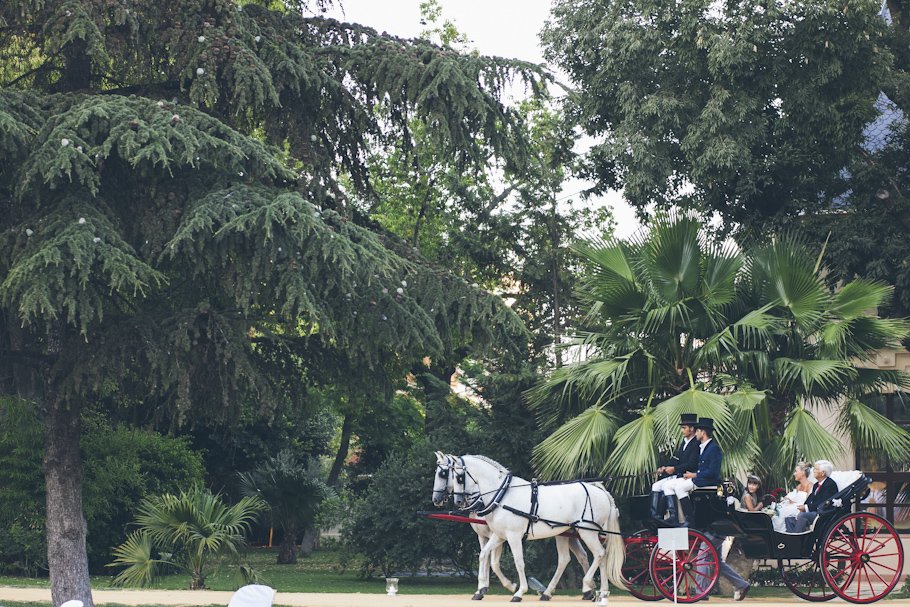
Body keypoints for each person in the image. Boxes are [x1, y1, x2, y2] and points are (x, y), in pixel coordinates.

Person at [662, 417, 722, 526]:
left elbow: (713, 472)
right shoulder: (702, 447)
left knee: (680, 488)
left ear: (703, 432)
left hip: (706, 480)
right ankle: (674, 517)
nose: (696, 433)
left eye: (697, 431)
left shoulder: (714, 448)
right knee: (668, 485)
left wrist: (695, 475)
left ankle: (689, 520)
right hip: (698, 478)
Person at [650, 413, 700, 522]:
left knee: (667, 486)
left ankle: (674, 516)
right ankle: (656, 517)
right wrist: (665, 467)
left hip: (687, 475)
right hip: (678, 475)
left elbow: (691, 464)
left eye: (684, 428)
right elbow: (676, 459)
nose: (682, 430)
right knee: (656, 486)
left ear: (691, 429)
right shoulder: (683, 443)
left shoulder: (696, 444)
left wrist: (674, 469)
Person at [786, 460, 838, 533]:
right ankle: (793, 537)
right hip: (814, 511)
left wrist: (806, 508)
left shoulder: (830, 484)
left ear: (823, 473)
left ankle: (797, 537)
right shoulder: (816, 484)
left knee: (802, 515)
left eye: (816, 469)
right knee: (789, 518)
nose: (813, 471)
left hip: (823, 513)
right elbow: (811, 498)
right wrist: (804, 506)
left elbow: (823, 502)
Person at [772, 462, 814, 532]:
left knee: (782, 512)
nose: (794, 474)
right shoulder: (798, 486)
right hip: (793, 507)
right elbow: (793, 499)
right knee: (777, 510)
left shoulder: (810, 486)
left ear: (803, 473)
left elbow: (809, 502)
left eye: (796, 471)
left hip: (801, 509)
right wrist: (788, 499)